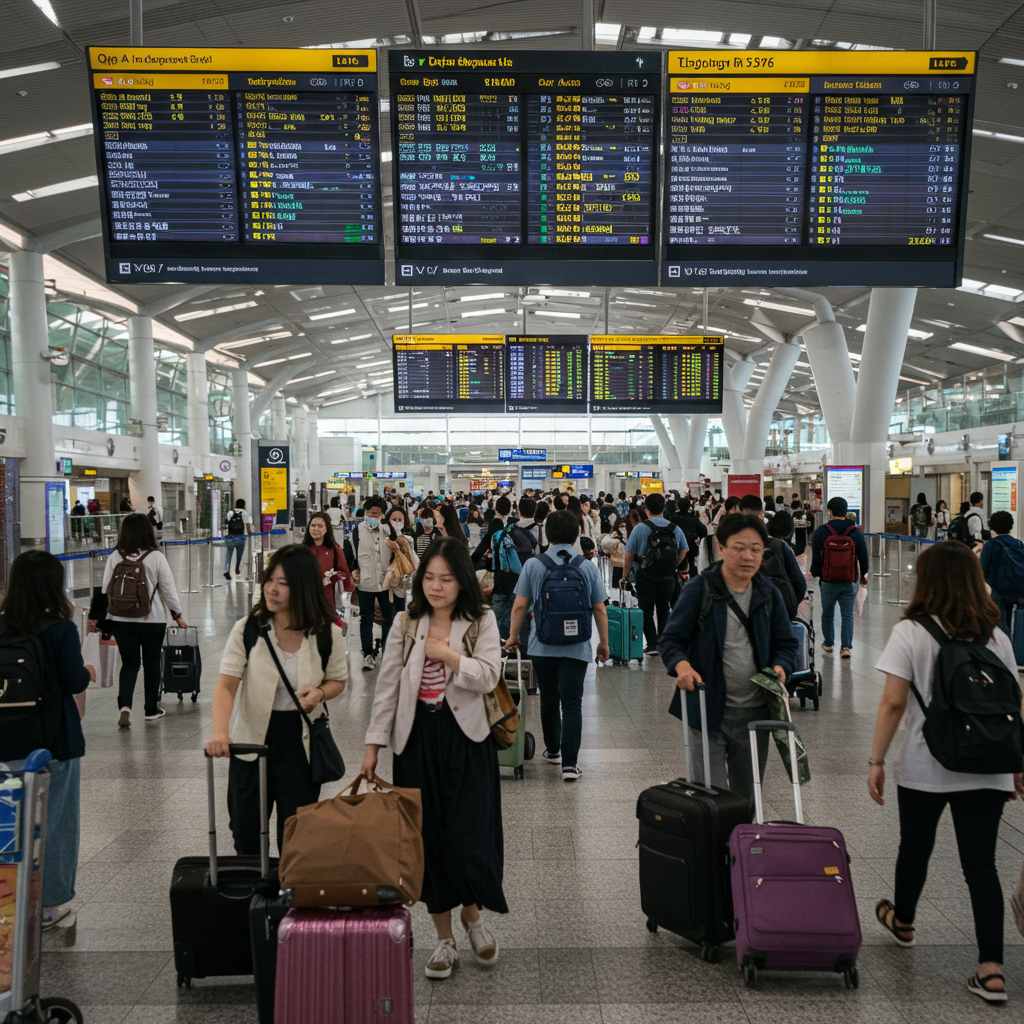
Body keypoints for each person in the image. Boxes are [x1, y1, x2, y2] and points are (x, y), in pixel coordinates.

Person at [868, 541, 1024, 1005]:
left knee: (915, 847)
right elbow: (1014, 702)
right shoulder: (995, 636)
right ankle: (991, 969)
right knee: (981, 866)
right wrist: (1017, 763)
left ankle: (904, 921)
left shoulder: (911, 632)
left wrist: (876, 760)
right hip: (988, 766)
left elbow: (893, 702)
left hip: (926, 763)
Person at [362, 538, 506, 981]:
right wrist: (373, 744)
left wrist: (449, 657)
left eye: (446, 579)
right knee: (428, 838)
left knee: (471, 833)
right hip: (417, 740)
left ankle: (473, 917)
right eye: (429, 578)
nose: (436, 587)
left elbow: (489, 675)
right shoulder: (406, 622)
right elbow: (388, 685)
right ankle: (444, 938)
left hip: (467, 739)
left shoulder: (481, 619)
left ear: (462, 581)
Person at [205, 545, 348, 855]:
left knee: (296, 835)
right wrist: (220, 732)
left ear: (303, 587)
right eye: (270, 579)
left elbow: (338, 680)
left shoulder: (326, 634)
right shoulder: (248, 629)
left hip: (301, 743)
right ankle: (252, 885)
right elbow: (226, 686)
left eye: (283, 583)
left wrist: (320, 693)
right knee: (245, 832)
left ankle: (289, 886)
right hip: (251, 741)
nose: (272, 589)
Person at [660, 514, 798, 803]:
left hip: (756, 713)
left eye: (756, 549)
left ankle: (740, 835)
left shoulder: (768, 593)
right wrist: (682, 667)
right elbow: (671, 640)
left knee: (747, 799)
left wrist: (781, 667)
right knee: (710, 798)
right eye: (739, 547)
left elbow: (787, 644)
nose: (748, 556)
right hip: (708, 708)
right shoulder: (700, 589)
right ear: (721, 548)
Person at [2, 551, 92, 931]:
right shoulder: (59, 629)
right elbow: (74, 680)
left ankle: (7, 901)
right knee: (56, 822)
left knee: (8, 824)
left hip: (6, 740)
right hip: (54, 740)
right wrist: (87, 672)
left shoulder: (2, 626)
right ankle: (49, 905)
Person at [507, 510, 610, 782]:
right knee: (572, 703)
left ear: (548, 535)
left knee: (549, 698)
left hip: (542, 645)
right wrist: (604, 643)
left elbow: (520, 605)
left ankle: (553, 751)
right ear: (577, 534)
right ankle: (570, 765)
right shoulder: (586, 566)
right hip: (577, 647)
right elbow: (600, 608)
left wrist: (513, 636)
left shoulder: (534, 564)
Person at [95, 513, 187, 727]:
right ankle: (151, 709)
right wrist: (177, 614)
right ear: (148, 531)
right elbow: (168, 590)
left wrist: (101, 618)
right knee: (152, 663)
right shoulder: (156, 557)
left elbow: (105, 589)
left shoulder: (115, 556)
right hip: (152, 620)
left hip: (120, 619)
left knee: (129, 664)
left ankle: (125, 707)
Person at [623, 492, 688, 656]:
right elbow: (684, 549)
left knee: (645, 609)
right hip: (668, 576)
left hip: (645, 575)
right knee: (664, 608)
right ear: (663, 508)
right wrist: (674, 564)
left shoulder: (640, 528)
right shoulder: (674, 528)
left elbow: (628, 555)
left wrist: (625, 576)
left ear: (646, 509)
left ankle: (652, 644)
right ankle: (663, 642)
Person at [810, 496, 869, 658]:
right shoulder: (855, 532)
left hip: (828, 581)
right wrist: (863, 575)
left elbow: (816, 557)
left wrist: (816, 572)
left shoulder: (822, 531)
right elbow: (863, 557)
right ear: (845, 511)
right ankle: (845, 647)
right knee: (847, 615)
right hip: (849, 580)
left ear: (830, 511)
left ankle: (829, 643)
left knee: (827, 613)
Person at [350, 496, 397, 671]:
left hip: (386, 582)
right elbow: (352, 553)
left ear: (382, 514)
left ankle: (386, 652)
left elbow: (396, 554)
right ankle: (367, 654)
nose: (373, 516)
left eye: (376, 514)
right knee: (366, 619)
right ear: (365, 513)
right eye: (370, 513)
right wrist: (354, 571)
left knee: (388, 618)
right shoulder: (357, 530)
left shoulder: (388, 530)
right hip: (365, 582)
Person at [302, 511, 354, 621]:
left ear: (327, 529)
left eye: (320, 526)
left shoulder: (335, 549)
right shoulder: (302, 550)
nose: (315, 529)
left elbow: (345, 574)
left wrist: (332, 577)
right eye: (313, 525)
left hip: (327, 601)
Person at [980, 510, 1024, 633]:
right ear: (1010, 526)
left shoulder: (991, 545)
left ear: (992, 526)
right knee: (1016, 622)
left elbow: (981, 570)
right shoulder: (1019, 543)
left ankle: (1005, 642)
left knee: (1001, 625)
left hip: (998, 591)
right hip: (1017, 589)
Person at [763, 508, 808, 619]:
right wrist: (792, 602)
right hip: (783, 605)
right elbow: (800, 583)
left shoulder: (760, 545)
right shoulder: (784, 547)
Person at [385, 510, 420, 613]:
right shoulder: (384, 539)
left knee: (401, 610)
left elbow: (414, 561)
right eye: (394, 519)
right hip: (386, 582)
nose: (397, 522)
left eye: (400, 520)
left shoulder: (408, 539)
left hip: (403, 582)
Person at [675, 498, 708, 579]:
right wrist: (698, 537)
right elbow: (704, 531)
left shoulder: (673, 518)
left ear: (678, 506)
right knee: (692, 564)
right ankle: (693, 580)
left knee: (678, 565)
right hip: (691, 545)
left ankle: (679, 580)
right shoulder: (693, 518)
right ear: (689, 506)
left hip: (677, 546)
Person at [222, 498, 252, 580]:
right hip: (240, 538)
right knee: (240, 555)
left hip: (230, 537)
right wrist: (250, 533)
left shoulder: (230, 512)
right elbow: (248, 527)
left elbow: (225, 525)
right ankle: (237, 568)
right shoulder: (245, 513)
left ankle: (226, 571)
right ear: (244, 505)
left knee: (228, 555)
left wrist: (225, 535)